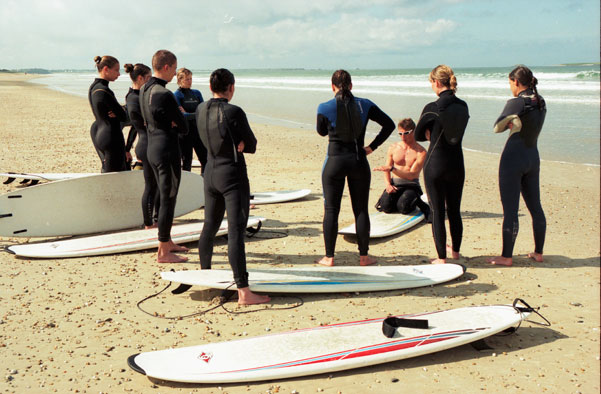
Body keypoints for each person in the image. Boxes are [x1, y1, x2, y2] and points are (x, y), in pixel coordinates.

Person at [196, 68, 270, 305]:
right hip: (232, 175)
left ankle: (205, 274)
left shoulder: (200, 108)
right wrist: (239, 143)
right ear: (231, 88)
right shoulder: (234, 111)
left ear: (210, 87)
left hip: (209, 172)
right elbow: (252, 143)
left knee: (209, 226)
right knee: (236, 232)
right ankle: (244, 292)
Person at [316, 69, 395, 267]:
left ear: (332, 86)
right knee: (360, 210)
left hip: (334, 162)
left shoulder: (324, 107)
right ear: (351, 86)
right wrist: (372, 147)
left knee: (331, 209)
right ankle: (364, 256)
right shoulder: (365, 104)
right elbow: (389, 125)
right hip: (359, 161)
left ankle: (329, 257)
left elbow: (321, 131)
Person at [488, 65, 547, 266]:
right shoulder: (540, 101)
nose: (510, 87)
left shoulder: (516, 102)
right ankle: (538, 252)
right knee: (536, 207)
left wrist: (511, 122)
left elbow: (497, 127)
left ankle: (506, 256)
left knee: (511, 210)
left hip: (513, 159)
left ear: (515, 81)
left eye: (510, 83)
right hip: (532, 157)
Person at [414, 65, 469, 264]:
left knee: (437, 211)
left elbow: (418, 134)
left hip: (435, 164)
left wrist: (431, 133)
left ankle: (442, 258)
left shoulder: (432, 107)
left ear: (436, 82)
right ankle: (455, 252)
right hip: (456, 163)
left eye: (431, 82)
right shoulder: (463, 106)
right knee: (454, 209)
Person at [139, 50, 189, 263]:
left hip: (151, 147)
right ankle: (163, 251)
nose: (176, 72)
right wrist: (175, 124)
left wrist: (172, 123)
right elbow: (184, 126)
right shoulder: (164, 94)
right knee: (169, 197)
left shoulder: (144, 89)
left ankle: (167, 241)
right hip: (167, 148)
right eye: (175, 67)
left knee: (163, 193)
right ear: (167, 67)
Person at [124, 62, 159, 229]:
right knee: (151, 186)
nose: (151, 80)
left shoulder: (140, 95)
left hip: (147, 142)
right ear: (140, 78)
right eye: (149, 78)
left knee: (157, 185)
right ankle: (148, 222)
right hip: (146, 145)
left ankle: (156, 218)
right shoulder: (133, 98)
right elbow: (138, 124)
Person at [373, 118, 429, 216]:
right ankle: (399, 200)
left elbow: (412, 175)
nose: (403, 137)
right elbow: (387, 169)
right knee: (386, 207)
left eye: (406, 133)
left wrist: (392, 169)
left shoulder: (421, 152)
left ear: (413, 131)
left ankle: (416, 200)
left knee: (403, 208)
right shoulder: (393, 147)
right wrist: (388, 185)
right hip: (395, 184)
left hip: (411, 186)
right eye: (400, 133)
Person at [89, 55, 130, 173]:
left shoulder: (93, 87)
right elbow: (123, 116)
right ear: (106, 69)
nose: (119, 74)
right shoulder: (104, 91)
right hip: (112, 137)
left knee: (107, 173)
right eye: (116, 70)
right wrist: (121, 110)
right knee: (114, 178)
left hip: (100, 133)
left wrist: (119, 110)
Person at [174, 68, 207, 173]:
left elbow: (204, 113)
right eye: (187, 79)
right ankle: (185, 187)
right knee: (186, 163)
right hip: (184, 134)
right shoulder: (177, 95)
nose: (190, 81)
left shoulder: (197, 93)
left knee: (205, 160)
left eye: (191, 78)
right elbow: (182, 116)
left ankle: (204, 185)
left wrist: (189, 114)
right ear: (179, 81)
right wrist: (196, 114)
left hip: (198, 133)